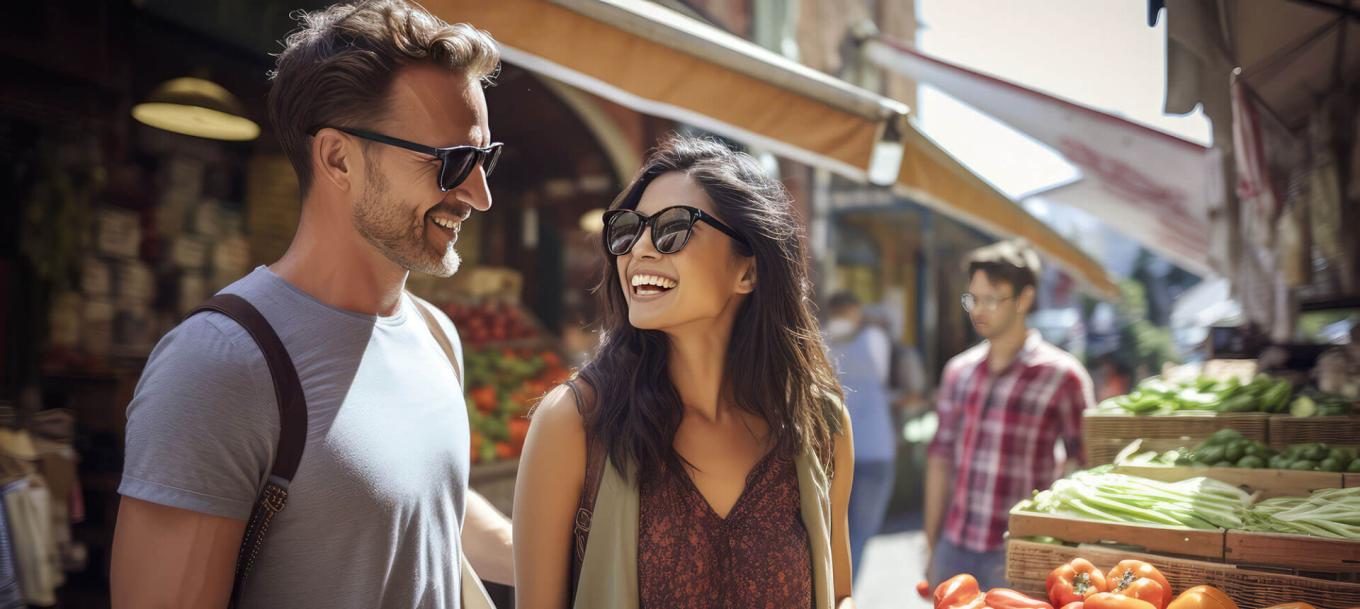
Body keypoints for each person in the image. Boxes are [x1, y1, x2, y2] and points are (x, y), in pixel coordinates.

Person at [110, 2, 513, 607]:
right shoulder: (219, 365)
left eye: (484, 159)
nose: (478, 195)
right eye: (453, 161)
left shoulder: (434, 335)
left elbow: (416, 509)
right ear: (336, 158)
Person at [512, 135, 856, 609]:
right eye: (628, 230)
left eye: (673, 229)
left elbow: (837, 595)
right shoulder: (574, 423)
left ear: (748, 272)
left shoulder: (820, 424)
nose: (639, 251)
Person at [923, 240, 1094, 590]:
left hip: (1022, 553)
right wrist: (931, 543)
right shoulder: (959, 371)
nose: (978, 310)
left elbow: (1087, 466)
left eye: (991, 299)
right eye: (972, 298)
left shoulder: (1063, 375)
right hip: (954, 546)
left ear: (1025, 299)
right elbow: (940, 459)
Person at [825, 292, 895, 582]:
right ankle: (845, 593)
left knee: (830, 533)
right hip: (875, 447)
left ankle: (830, 595)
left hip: (830, 449)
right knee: (861, 533)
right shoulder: (874, 339)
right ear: (855, 311)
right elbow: (882, 376)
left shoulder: (817, 340)